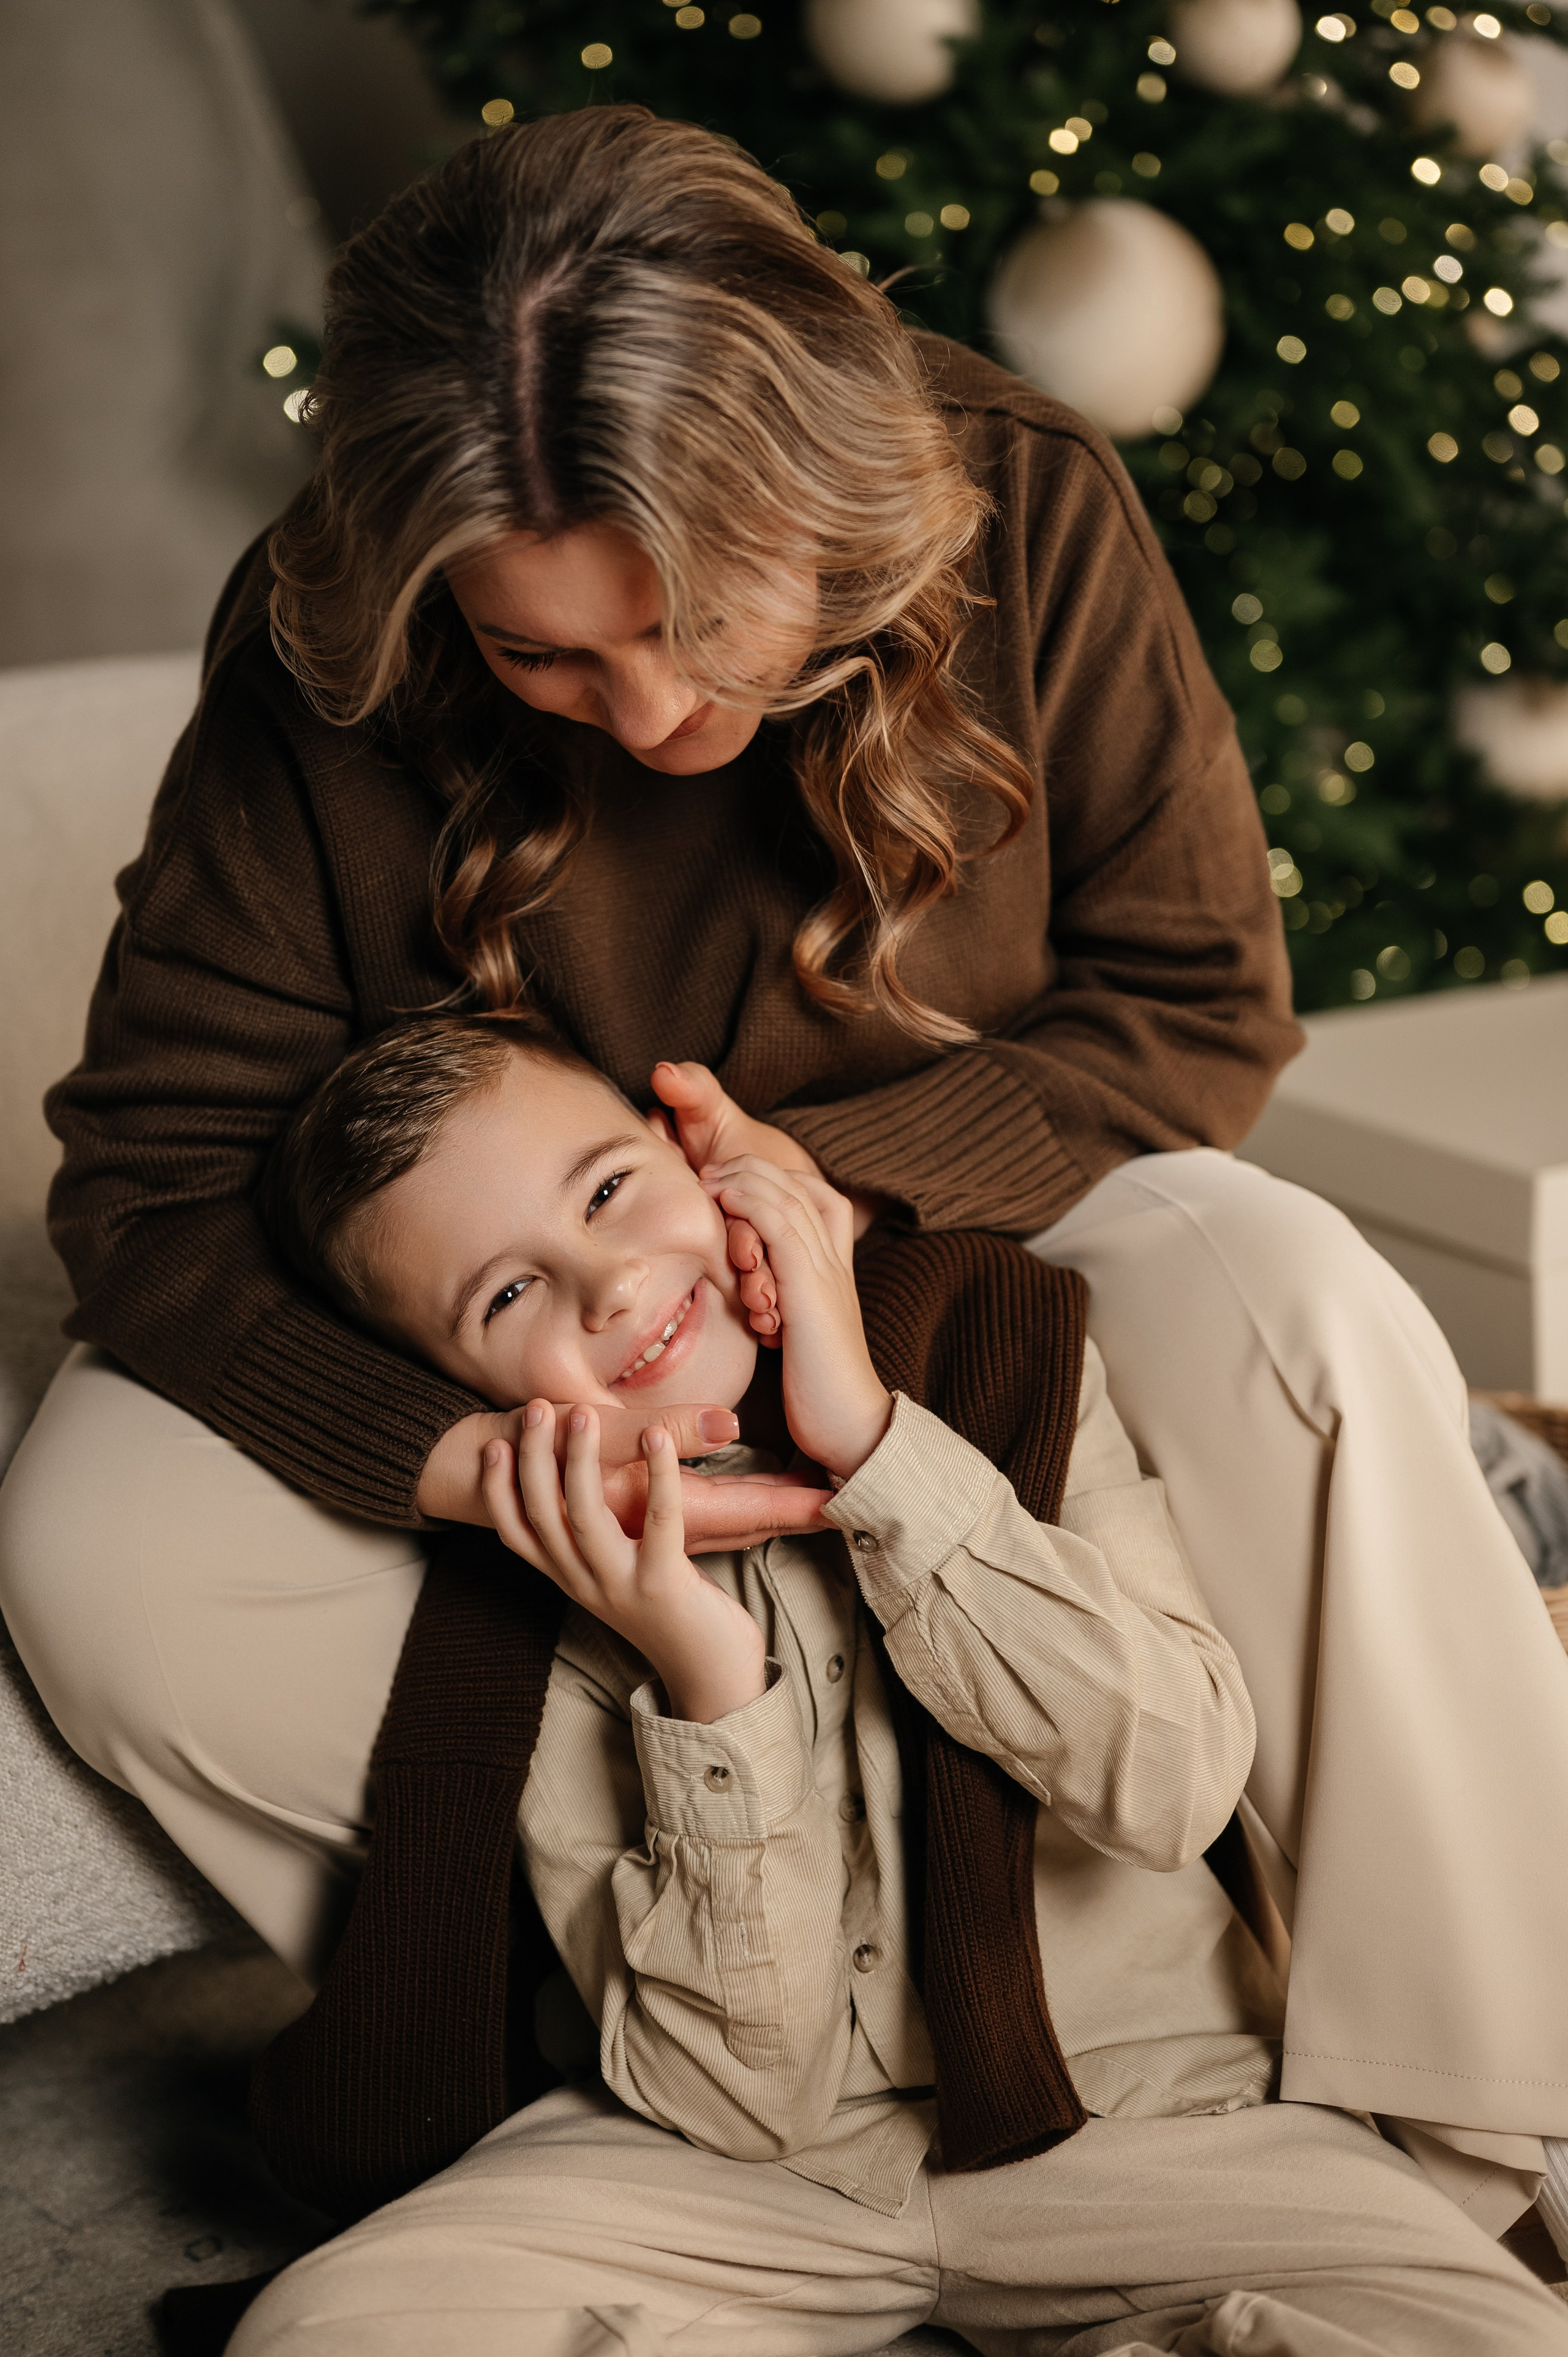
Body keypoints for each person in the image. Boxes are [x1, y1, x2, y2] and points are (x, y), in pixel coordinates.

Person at [1, 96, 1567, 2293]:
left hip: (989, 1277)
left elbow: (1197, 1001)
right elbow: (158, 1176)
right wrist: (466, 1454)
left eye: (705, 620)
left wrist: (802, 1210)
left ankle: (1474, 2101)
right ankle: (643, 2034)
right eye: (545, 655)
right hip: (572, 1361)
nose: (651, 719)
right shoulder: (329, 641)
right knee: (92, 1528)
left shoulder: (1029, 503)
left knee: (1290, 1272)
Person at [225, 1014, 1561, 2355]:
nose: (609, 1286)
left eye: (609, 1190)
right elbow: (738, 2097)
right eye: (504, 1296)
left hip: (1159, 2116)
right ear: (460, 1398)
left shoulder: (1011, 1355)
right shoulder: (530, 1597)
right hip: (740, 2181)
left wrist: (875, 1448)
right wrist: (707, 1677)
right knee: (325, 2327)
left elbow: (1168, 1781)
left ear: (698, 1159)